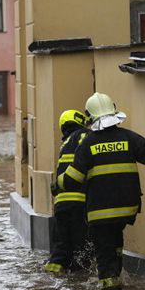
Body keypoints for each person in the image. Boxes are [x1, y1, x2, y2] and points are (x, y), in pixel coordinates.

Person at [58, 92, 145, 290]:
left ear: (91, 116)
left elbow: (72, 179)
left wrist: (56, 184)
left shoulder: (88, 143)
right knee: (115, 240)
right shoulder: (129, 137)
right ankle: (118, 275)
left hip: (100, 211)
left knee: (103, 250)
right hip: (126, 208)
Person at [46, 109, 90, 273]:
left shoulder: (65, 144)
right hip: (81, 204)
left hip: (62, 205)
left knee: (61, 247)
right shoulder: (89, 137)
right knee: (81, 248)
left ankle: (52, 275)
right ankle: (78, 280)